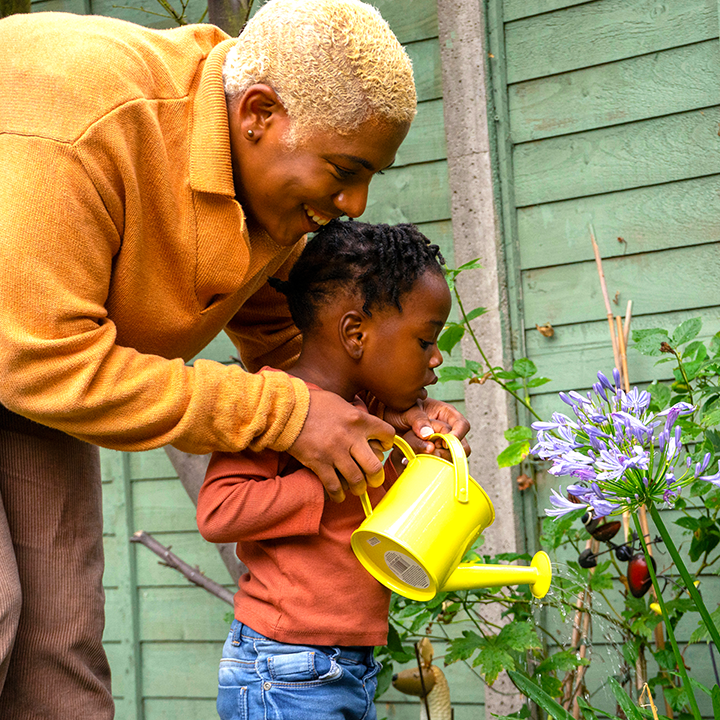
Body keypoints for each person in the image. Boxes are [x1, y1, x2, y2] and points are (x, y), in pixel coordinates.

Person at [0, 0, 470, 717]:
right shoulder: (85, 128)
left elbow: (294, 342)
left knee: (58, 642)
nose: (355, 201)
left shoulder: (265, 192)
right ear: (258, 113)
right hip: (33, 352)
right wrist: (283, 414)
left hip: (35, 365)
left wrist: (389, 412)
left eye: (371, 175)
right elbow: (40, 361)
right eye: (345, 169)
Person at [196, 220, 453, 720]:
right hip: (282, 666)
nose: (437, 358)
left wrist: (429, 448)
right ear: (356, 333)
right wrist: (322, 484)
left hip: (350, 664)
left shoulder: (369, 410)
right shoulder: (279, 407)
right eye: (425, 341)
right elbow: (219, 511)